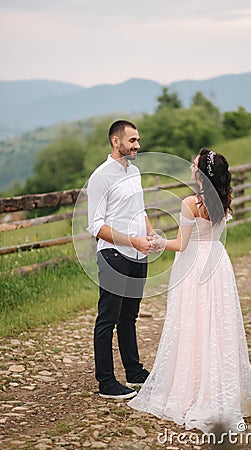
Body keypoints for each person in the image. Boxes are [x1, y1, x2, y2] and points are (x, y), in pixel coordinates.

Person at [128, 148, 251, 432]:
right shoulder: (222, 201)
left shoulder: (190, 203)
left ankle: (191, 389)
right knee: (217, 325)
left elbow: (182, 244)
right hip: (218, 264)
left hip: (194, 267)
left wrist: (160, 242)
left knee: (192, 324)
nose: (190, 167)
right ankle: (218, 389)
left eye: (194, 164)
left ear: (201, 173)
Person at [87, 119, 157, 399]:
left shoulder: (136, 171)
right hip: (114, 254)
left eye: (138, 140)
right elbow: (96, 226)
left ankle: (135, 372)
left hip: (139, 254)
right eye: (132, 141)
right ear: (116, 142)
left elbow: (139, 210)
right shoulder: (101, 176)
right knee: (108, 318)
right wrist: (131, 241)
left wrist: (150, 235)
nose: (137, 145)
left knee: (129, 316)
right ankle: (106, 382)